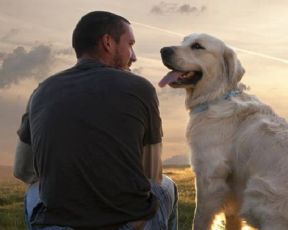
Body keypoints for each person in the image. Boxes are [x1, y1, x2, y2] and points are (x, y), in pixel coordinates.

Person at [13, 11, 178, 230]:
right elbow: (152, 173)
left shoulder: (41, 91)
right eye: (130, 44)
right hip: (128, 223)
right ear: (108, 42)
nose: (134, 56)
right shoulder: (140, 88)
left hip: (59, 224)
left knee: (34, 191)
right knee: (167, 185)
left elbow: (22, 170)